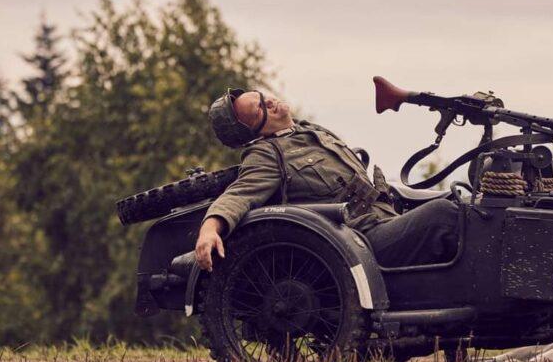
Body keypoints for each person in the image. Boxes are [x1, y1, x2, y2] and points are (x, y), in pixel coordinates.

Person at [194, 88, 459, 271]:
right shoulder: (266, 154)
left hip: (387, 219)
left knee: (466, 204)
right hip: (361, 242)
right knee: (444, 215)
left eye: (261, 96)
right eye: (259, 108)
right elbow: (239, 195)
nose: (269, 102)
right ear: (253, 132)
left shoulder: (311, 132)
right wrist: (209, 230)